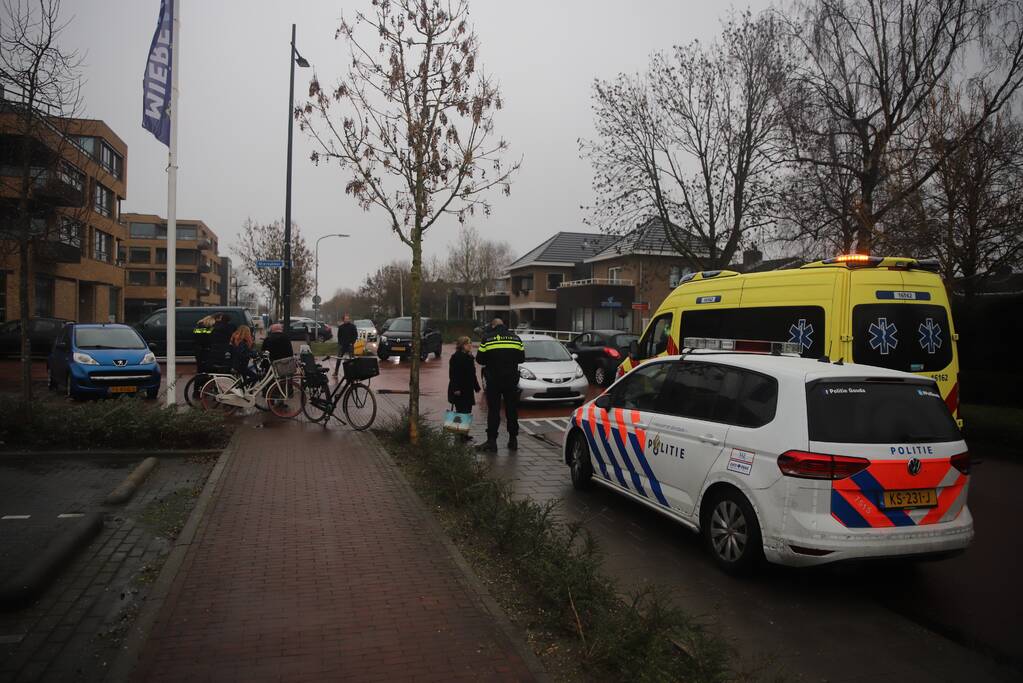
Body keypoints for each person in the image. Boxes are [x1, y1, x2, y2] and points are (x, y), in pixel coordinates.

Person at [475, 317, 525, 453]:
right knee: (511, 410)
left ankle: (492, 441)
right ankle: (513, 440)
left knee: (494, 411)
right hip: (511, 381)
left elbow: (479, 359)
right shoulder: (516, 338)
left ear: (493, 326)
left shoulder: (487, 338)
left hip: (494, 381)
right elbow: (522, 358)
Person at [448, 336, 480, 442]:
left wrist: (476, 387)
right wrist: (456, 388)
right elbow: (453, 374)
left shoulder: (469, 357)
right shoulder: (456, 357)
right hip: (459, 389)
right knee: (461, 412)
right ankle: (460, 435)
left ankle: (464, 434)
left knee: (467, 411)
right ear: (462, 346)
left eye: (470, 343)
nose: (470, 345)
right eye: (467, 344)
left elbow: (472, 374)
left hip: (468, 389)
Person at [191, 315, 217, 398]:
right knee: (203, 372)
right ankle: (199, 392)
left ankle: (198, 391)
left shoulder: (198, 328)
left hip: (199, 353)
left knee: (200, 372)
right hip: (203, 353)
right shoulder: (206, 330)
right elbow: (208, 339)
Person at [333, 313, 359, 377]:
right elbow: (339, 336)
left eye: (348, 319)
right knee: (339, 358)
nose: (347, 320)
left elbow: (355, 335)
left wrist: (352, 342)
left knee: (352, 359)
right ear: (343, 320)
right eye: (346, 319)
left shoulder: (353, 326)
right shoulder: (341, 327)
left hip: (350, 345)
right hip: (342, 346)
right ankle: (336, 372)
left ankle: (354, 372)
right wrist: (340, 344)